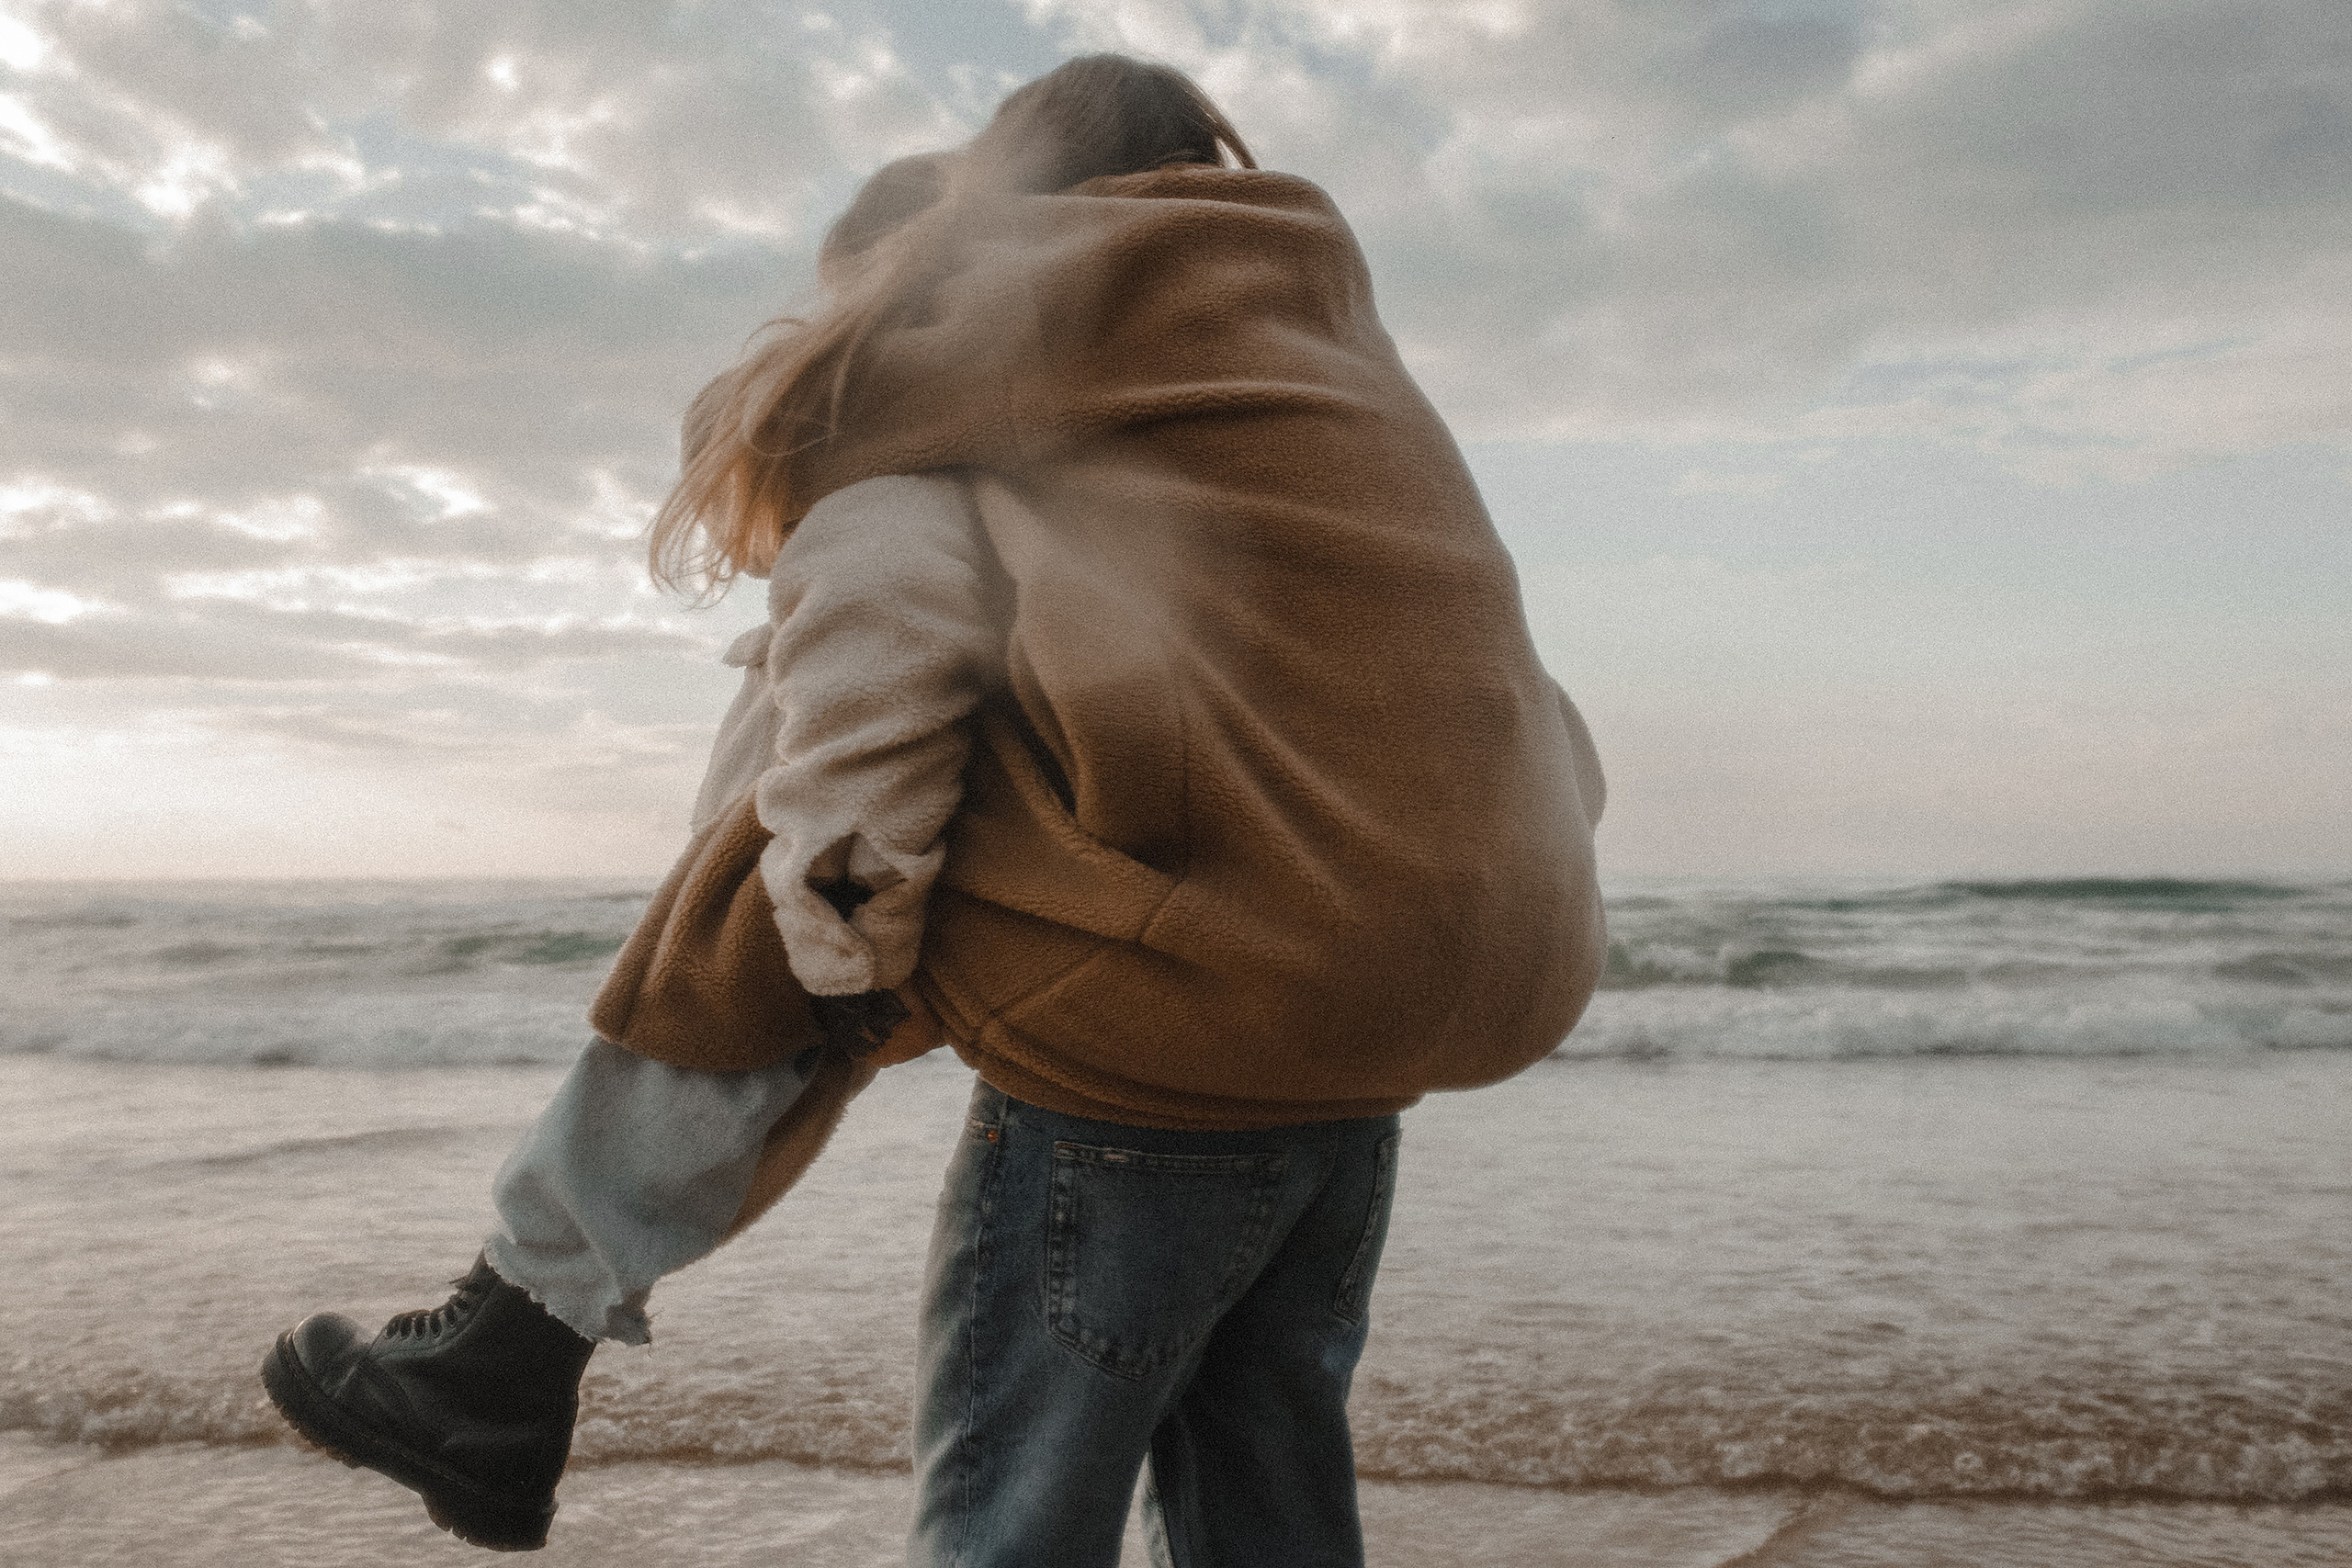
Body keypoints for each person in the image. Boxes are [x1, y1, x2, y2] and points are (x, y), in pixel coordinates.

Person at [261, 54, 1606, 1568]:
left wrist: (839, 939)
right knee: (1264, 1492)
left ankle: (518, 1335)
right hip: (1411, 1015)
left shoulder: (1033, 324)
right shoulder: (1317, 363)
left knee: (1011, 1514)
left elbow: (840, 566)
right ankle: (514, 1342)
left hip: (1172, 1044)